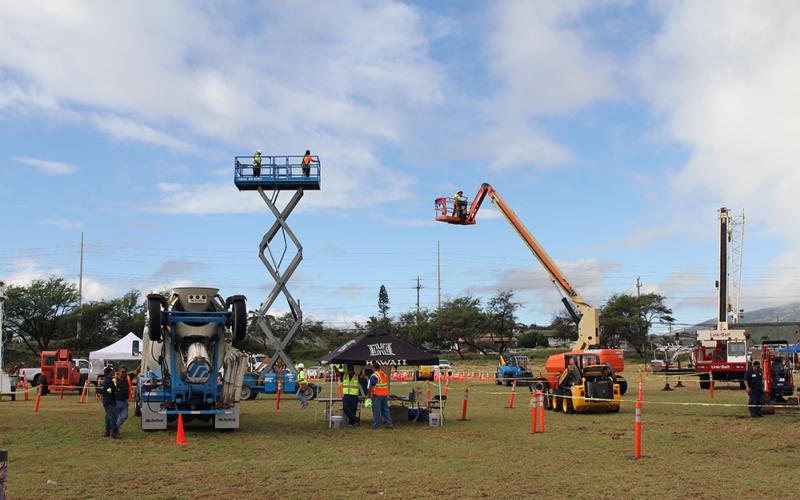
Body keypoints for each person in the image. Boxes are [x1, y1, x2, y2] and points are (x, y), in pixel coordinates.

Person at [368, 363, 393, 429]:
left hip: (377, 394)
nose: (372, 369)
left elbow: (372, 384)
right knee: (385, 410)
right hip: (384, 394)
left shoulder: (375, 375)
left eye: (372, 368)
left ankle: (376, 425)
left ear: (374, 368)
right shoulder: (383, 373)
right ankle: (389, 424)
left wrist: (369, 393)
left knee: (376, 410)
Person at [101, 367, 120, 439]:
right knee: (112, 417)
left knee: (108, 417)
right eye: (112, 371)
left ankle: (107, 431)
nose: (113, 372)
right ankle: (114, 433)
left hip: (108, 401)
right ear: (109, 373)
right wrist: (114, 391)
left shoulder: (107, 380)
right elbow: (110, 390)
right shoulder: (108, 381)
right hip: (109, 401)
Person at [115, 367, 130, 432]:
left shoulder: (126, 381)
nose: (124, 373)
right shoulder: (115, 380)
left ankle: (115, 428)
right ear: (119, 372)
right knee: (115, 417)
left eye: (125, 372)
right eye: (122, 372)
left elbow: (126, 391)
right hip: (117, 401)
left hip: (124, 402)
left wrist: (126, 400)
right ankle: (114, 429)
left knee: (124, 416)